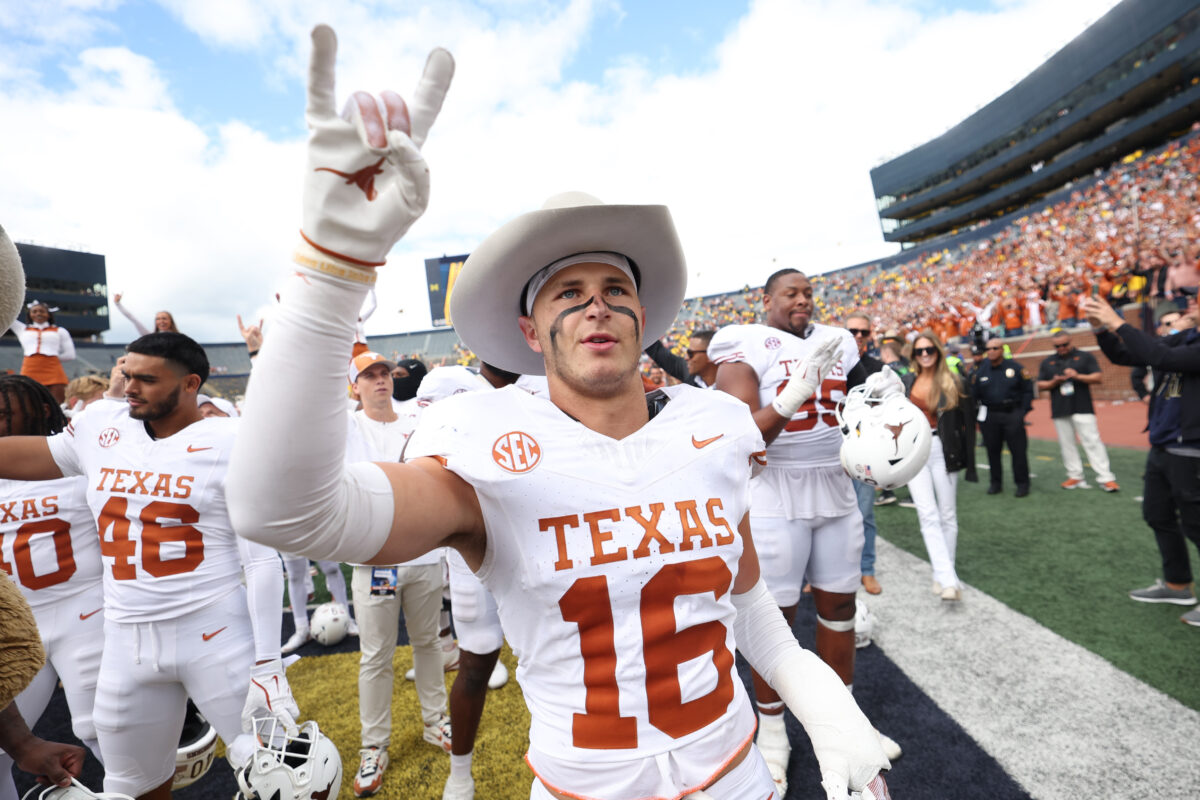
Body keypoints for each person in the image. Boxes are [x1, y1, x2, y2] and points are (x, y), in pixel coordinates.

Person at [227, 25, 889, 800]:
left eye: (615, 291)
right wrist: (331, 272)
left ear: (645, 316)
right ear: (528, 330)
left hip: (736, 775)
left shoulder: (709, 426)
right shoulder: (481, 442)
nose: (596, 308)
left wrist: (822, 705)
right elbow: (281, 513)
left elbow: (747, 605)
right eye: (567, 295)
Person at [0, 332, 296, 798]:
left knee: (290, 776)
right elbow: (44, 455)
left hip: (215, 632)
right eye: (128, 374)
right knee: (130, 787)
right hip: (125, 640)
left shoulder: (233, 441)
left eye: (148, 379)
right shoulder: (101, 426)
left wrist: (268, 664)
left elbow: (260, 561)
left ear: (191, 384)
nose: (131, 387)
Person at [709, 272, 898, 796]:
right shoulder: (744, 343)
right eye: (790, 293)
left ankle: (848, 724)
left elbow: (868, 399)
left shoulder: (839, 339)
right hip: (775, 492)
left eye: (808, 293)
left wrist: (887, 395)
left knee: (839, 613)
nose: (802, 300)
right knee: (778, 622)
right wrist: (796, 392)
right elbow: (740, 436)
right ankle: (773, 734)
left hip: (836, 489)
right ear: (765, 300)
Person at [344, 352, 450, 796]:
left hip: (424, 553)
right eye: (368, 375)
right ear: (355, 387)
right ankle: (374, 745)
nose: (380, 380)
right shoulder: (347, 427)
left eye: (384, 373)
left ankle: (436, 722)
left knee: (429, 643)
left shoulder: (417, 416)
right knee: (376, 655)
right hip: (376, 560)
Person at [412, 363, 518, 800]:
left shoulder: (518, 406)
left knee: (558, 656)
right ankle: (460, 771)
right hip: (471, 556)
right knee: (475, 666)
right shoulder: (427, 440)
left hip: (528, 548)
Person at [0, 376, 104, 800]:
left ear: (43, 410)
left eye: (4, 412)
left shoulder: (79, 459)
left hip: (87, 613)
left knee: (107, 733)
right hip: (17, 628)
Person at [1084, 293, 1200, 628]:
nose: (1192, 305)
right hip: (1163, 445)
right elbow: (1128, 354)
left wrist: (1116, 321)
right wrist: (1101, 331)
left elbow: (1158, 354)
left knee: (1197, 525)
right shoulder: (1184, 338)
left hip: (1191, 448)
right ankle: (1178, 585)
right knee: (1157, 514)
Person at [901, 334, 974, 601]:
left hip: (945, 450)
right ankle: (948, 580)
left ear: (938, 351)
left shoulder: (954, 381)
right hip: (915, 451)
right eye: (919, 351)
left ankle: (943, 575)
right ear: (914, 355)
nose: (924, 354)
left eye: (929, 349)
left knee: (947, 515)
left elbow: (967, 424)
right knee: (927, 514)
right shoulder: (906, 382)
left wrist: (970, 464)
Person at [1035, 331, 1118, 492]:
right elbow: (1040, 384)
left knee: (1092, 441)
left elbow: (1097, 377)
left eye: (1064, 345)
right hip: (1060, 408)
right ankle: (1075, 475)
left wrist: (1077, 376)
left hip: (1082, 406)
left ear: (1070, 341)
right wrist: (1054, 381)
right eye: (1057, 346)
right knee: (1067, 444)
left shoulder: (1085, 357)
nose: (1062, 348)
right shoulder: (1048, 361)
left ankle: (1106, 477)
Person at [844, 313, 883, 595]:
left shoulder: (879, 370)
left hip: (865, 451)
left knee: (865, 513)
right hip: (830, 450)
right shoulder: (830, 366)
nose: (858, 336)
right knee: (825, 514)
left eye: (863, 332)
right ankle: (818, 571)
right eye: (853, 331)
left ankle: (866, 569)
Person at [972, 336, 1033, 497]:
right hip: (990, 416)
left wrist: (1022, 412)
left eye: (994, 348)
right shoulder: (981, 371)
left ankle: (1022, 484)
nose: (990, 352)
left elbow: (1028, 390)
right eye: (988, 349)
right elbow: (974, 395)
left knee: (1018, 452)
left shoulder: (1016, 368)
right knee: (992, 451)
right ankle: (995, 483)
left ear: (1002, 350)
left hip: (1012, 414)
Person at [8, 302, 75, 405]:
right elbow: (7, 315)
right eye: (34, 311)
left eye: (42, 311)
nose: (38, 313)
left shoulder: (60, 331)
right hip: (29, 369)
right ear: (29, 314)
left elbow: (70, 355)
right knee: (27, 402)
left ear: (48, 314)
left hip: (54, 371)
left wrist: (52, 359)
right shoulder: (22, 329)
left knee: (58, 404)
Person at [643, 329, 717, 388]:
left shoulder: (727, 387)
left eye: (691, 354)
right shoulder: (687, 371)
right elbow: (657, 351)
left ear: (710, 355)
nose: (686, 358)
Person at [112, 293, 179, 336]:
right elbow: (132, 318)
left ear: (171, 321)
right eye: (158, 319)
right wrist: (117, 304)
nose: (161, 321)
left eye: (164, 318)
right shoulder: (151, 337)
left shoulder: (180, 338)